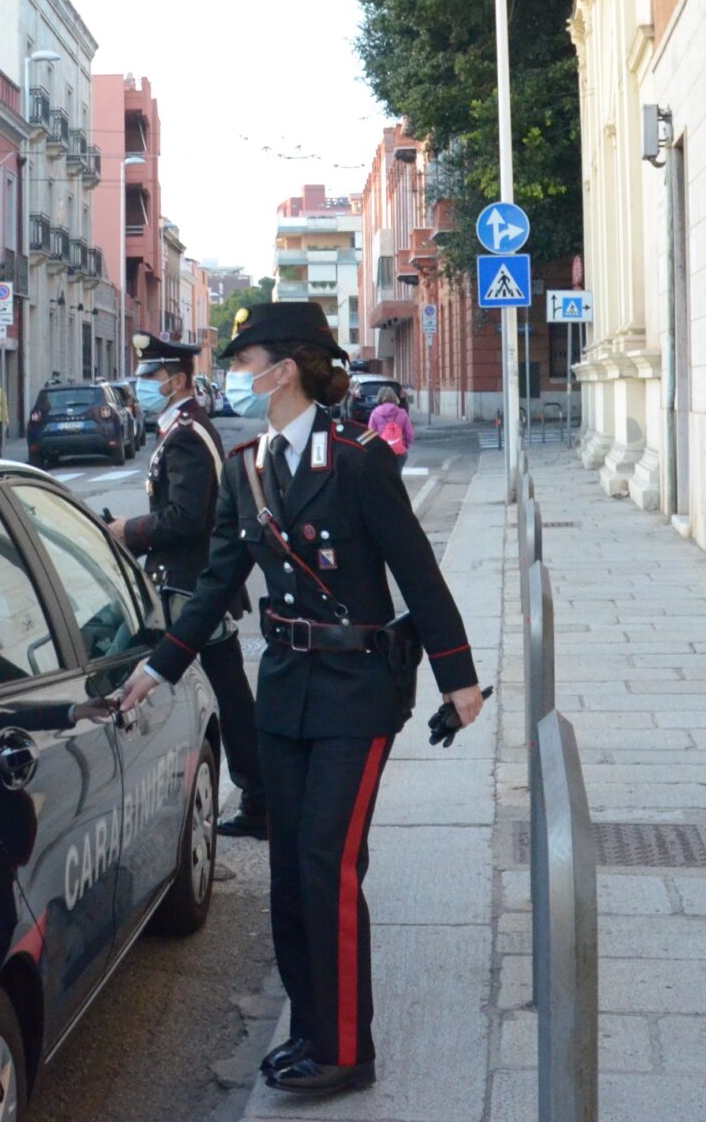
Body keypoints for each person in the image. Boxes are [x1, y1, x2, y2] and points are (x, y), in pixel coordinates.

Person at [116, 303, 486, 1098]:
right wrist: (161, 666)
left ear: (284, 369)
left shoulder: (356, 462)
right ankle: (313, 1031)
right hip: (285, 689)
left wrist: (459, 680)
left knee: (329, 862)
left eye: (245, 361)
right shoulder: (250, 466)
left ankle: (349, 1050)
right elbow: (217, 581)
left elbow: (417, 574)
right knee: (289, 867)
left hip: (358, 693)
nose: (236, 376)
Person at [118, 332, 267, 839]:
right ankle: (258, 794)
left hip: (191, 587)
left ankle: (255, 795)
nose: (140, 385)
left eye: (148, 377)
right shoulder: (179, 428)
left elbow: (185, 518)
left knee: (214, 693)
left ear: (176, 380)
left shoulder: (186, 434)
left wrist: (127, 533)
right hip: (191, 584)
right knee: (224, 691)